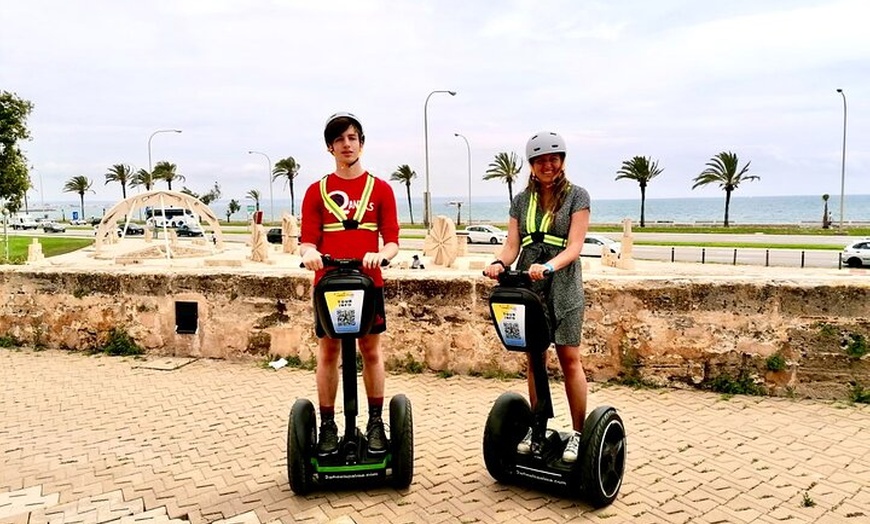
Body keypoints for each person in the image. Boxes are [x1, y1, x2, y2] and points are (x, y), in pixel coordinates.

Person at [483, 131, 590, 463]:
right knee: (534, 359)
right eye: (542, 160)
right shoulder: (520, 200)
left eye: (554, 158)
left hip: (563, 283)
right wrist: (499, 264)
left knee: (569, 357)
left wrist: (549, 265)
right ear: (531, 164)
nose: (549, 164)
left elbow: (574, 246)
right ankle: (538, 427)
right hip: (529, 286)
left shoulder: (578, 196)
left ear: (562, 161)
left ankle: (577, 433)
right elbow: (512, 245)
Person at [299, 112, 400, 456]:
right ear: (330, 147)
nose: (347, 144)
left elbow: (393, 241)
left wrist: (381, 255)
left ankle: (374, 422)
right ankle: (328, 425)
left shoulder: (381, 189)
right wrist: (311, 253)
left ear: (362, 143)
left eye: (353, 138)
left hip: (368, 283)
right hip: (329, 285)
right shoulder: (317, 191)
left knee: (370, 351)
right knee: (327, 352)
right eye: (340, 139)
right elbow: (307, 240)